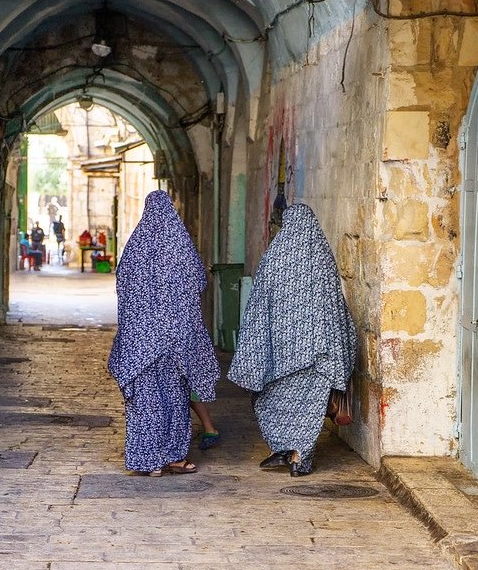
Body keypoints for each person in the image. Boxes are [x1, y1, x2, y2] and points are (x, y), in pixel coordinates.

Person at [228, 203, 356, 477]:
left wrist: (258, 348)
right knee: (310, 405)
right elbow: (335, 304)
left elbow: (259, 304)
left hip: (279, 354)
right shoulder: (322, 257)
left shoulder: (274, 256)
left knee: (272, 401)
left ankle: (284, 447)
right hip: (317, 354)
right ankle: (298, 454)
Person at [108, 190, 220, 477]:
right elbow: (198, 280)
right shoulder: (180, 245)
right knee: (173, 399)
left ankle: (147, 461)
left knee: (145, 401)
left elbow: (122, 285)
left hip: (139, 344)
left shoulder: (135, 248)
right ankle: (172, 457)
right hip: (174, 341)